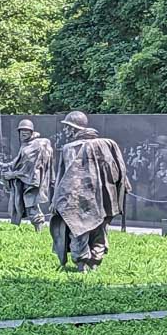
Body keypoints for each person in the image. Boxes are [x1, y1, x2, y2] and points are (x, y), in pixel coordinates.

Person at [50, 111, 131, 271]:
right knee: (98, 229)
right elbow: (119, 172)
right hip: (101, 198)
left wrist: (56, 200)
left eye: (67, 128)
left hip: (77, 198)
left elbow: (64, 177)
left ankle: (82, 264)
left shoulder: (70, 148)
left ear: (74, 129)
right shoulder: (107, 145)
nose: (65, 131)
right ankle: (94, 261)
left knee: (78, 230)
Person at [2, 118, 54, 229]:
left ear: (32, 132)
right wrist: (8, 165)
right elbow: (19, 160)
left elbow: (29, 166)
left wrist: (13, 174)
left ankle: (38, 232)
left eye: (27, 130)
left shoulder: (35, 146)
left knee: (31, 205)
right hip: (23, 180)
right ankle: (15, 229)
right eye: (21, 130)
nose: (24, 132)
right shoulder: (25, 145)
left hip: (31, 181)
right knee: (19, 203)